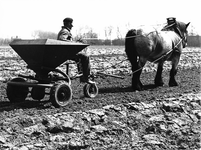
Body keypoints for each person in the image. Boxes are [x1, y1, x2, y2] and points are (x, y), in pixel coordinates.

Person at [57, 17, 94, 84]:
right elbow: (62, 40)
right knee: (85, 57)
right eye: (71, 23)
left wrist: (75, 41)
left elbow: (66, 40)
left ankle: (82, 75)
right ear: (68, 23)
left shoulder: (64, 31)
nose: (72, 25)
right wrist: (75, 43)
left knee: (80, 58)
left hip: (65, 52)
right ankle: (86, 77)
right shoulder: (65, 31)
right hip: (67, 53)